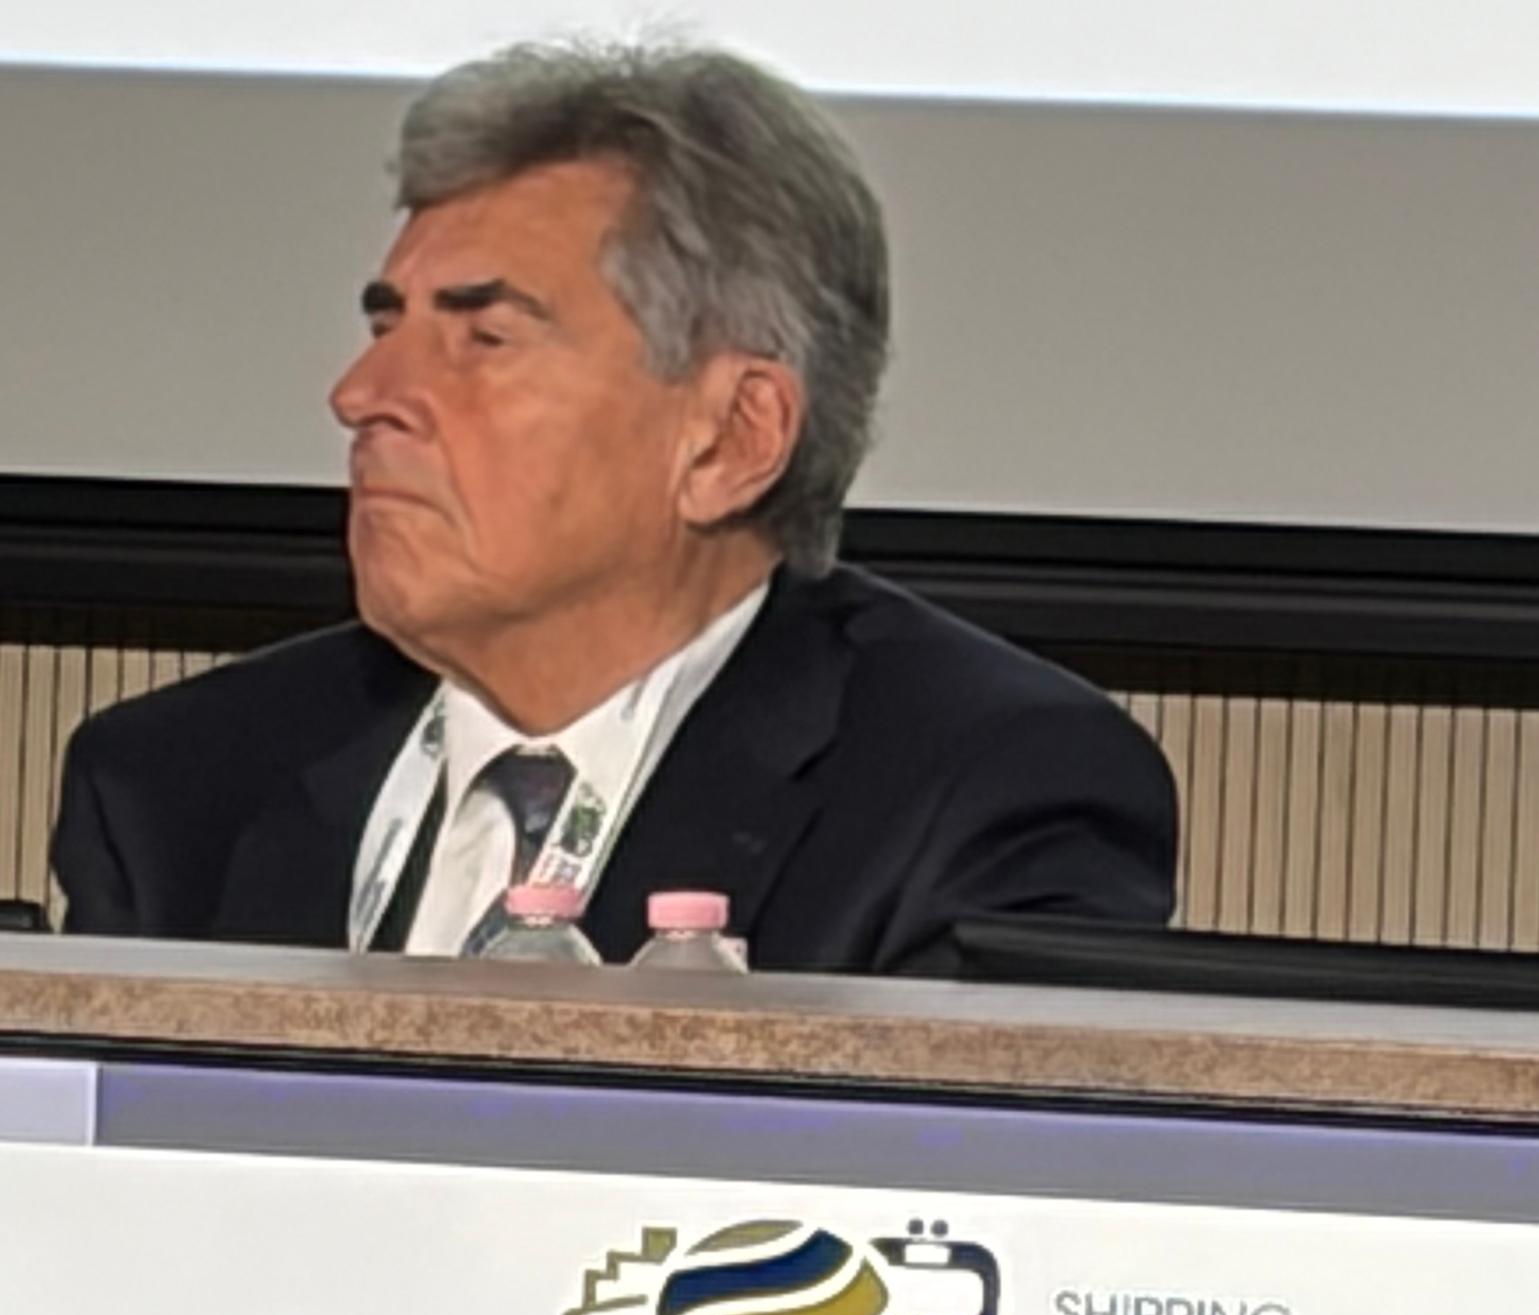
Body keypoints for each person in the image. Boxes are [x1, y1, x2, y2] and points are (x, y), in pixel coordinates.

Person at [51, 40, 1176, 974]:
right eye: (387, 327)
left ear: (731, 438)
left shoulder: (980, 792)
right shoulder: (174, 787)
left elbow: (955, 1177)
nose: (360, 394)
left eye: (484, 338)